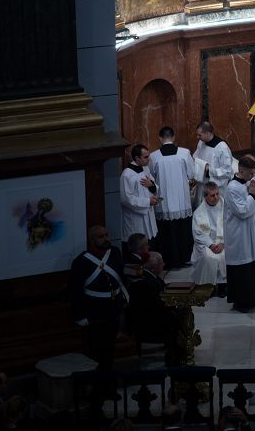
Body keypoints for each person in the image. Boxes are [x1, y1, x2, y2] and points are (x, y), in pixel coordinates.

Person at [69, 226, 128, 370]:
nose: (106, 239)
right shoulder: (81, 261)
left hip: (114, 307)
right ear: (91, 239)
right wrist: (80, 315)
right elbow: (75, 290)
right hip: (96, 311)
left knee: (110, 349)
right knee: (97, 352)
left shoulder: (114, 253)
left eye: (107, 235)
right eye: (101, 236)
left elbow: (120, 276)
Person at [150, 127, 195, 269]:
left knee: (167, 233)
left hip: (164, 201)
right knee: (182, 230)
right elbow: (192, 174)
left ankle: (170, 262)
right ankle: (184, 259)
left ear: (160, 138)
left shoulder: (154, 156)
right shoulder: (184, 153)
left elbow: (152, 177)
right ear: (174, 137)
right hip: (182, 200)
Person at [224, 156, 255, 313]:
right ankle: (241, 302)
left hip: (250, 230)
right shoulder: (231, 188)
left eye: (254, 173)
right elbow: (241, 211)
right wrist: (252, 195)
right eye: (250, 174)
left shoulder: (248, 183)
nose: (252, 177)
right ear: (241, 171)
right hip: (238, 232)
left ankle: (254, 297)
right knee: (242, 266)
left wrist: (254, 194)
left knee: (253, 263)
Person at [191, 182, 227, 296]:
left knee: (226, 255)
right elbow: (198, 233)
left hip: (224, 241)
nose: (216, 197)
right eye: (212, 195)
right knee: (207, 257)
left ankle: (223, 285)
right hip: (206, 243)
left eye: (217, 194)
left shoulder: (226, 207)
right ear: (205, 196)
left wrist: (223, 243)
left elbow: (232, 227)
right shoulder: (199, 213)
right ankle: (207, 285)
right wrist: (211, 245)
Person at [120, 144, 160, 244]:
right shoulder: (127, 175)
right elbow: (126, 199)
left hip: (149, 214)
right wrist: (148, 201)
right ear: (137, 158)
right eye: (145, 157)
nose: (149, 159)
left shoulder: (145, 169)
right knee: (138, 245)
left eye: (148, 156)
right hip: (136, 219)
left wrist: (151, 185)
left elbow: (153, 185)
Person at [194, 121, 234, 198]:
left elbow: (227, 171)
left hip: (216, 188)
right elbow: (195, 157)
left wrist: (209, 170)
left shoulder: (222, 148)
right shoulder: (201, 143)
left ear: (207, 133)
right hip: (202, 184)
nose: (198, 137)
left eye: (200, 135)